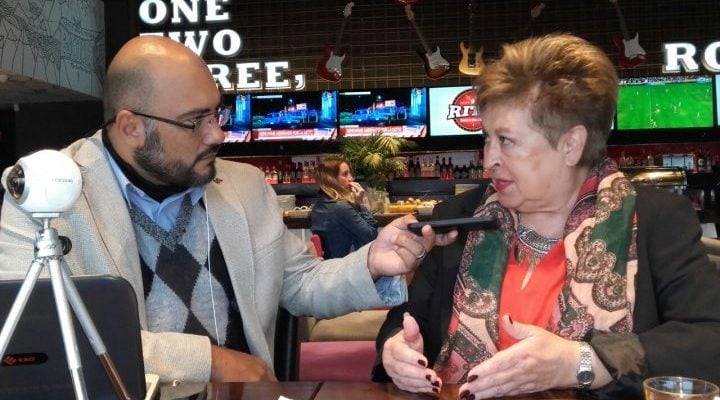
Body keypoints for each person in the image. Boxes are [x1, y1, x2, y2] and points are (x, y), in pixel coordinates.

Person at [0, 36, 456, 384]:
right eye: (194, 121)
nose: (217, 135)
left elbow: (298, 282)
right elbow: (47, 339)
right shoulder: (43, 197)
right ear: (131, 127)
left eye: (216, 114)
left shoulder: (244, 186)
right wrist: (212, 362)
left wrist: (371, 262)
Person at [372, 33, 720, 399]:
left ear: (571, 145)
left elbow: (709, 340)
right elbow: (407, 319)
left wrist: (582, 362)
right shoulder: (459, 218)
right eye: (487, 139)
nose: (488, 159)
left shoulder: (654, 221)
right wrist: (397, 349)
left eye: (506, 141)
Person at [311, 156, 378, 259]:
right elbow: (371, 237)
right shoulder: (340, 207)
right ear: (331, 179)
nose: (351, 179)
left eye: (350, 173)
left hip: (329, 263)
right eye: (345, 174)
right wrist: (362, 206)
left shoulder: (318, 205)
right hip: (347, 264)